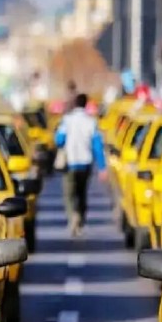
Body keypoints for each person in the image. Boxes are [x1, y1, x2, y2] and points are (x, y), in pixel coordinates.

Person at [55, 93, 107, 237]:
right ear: (85, 104)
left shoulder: (67, 120)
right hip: (86, 163)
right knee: (82, 193)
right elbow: (97, 146)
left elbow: (59, 140)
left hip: (70, 163)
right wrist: (102, 167)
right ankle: (81, 218)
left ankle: (73, 216)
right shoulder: (91, 122)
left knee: (69, 194)